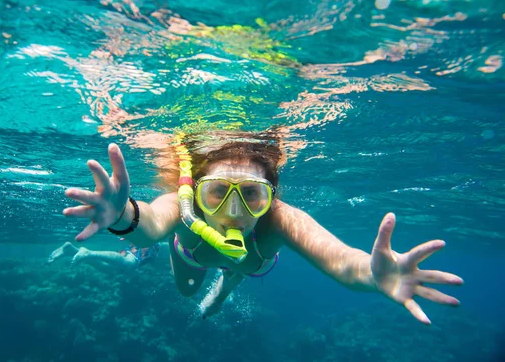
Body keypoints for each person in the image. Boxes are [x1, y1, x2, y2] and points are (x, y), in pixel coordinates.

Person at [62, 130, 463, 323]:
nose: (234, 210)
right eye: (217, 192)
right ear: (195, 192)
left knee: (237, 271)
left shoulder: (280, 219)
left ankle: (223, 290)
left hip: (248, 262)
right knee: (187, 293)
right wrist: (122, 216)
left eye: (251, 195)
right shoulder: (184, 209)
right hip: (191, 254)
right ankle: (217, 287)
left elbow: (341, 259)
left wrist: (372, 275)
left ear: (271, 196)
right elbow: (149, 222)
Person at [48, 239, 161, 272]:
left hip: (146, 245)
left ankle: (71, 251)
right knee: (130, 264)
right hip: (148, 244)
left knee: (108, 268)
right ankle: (88, 253)